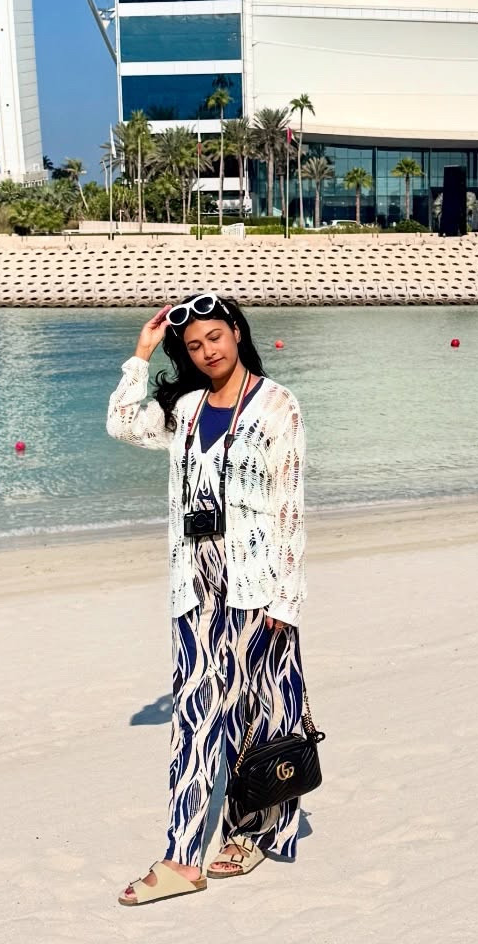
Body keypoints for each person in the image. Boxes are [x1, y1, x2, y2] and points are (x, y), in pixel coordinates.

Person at [106, 292, 308, 906]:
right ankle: (181, 857)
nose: (206, 351)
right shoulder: (187, 408)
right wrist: (140, 357)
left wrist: (286, 600)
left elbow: (289, 503)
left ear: (238, 335)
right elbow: (121, 424)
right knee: (196, 712)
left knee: (261, 713)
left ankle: (254, 831)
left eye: (215, 338)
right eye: (194, 345)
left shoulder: (278, 405)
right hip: (194, 578)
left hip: (257, 580)